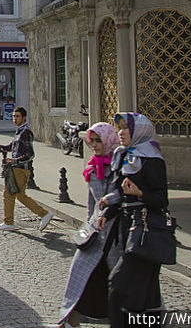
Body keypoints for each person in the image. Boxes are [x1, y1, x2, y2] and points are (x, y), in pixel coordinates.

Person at [98, 113, 168, 328]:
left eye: (125, 128)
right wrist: (107, 214)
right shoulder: (127, 157)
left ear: (139, 131)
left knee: (118, 285)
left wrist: (140, 194)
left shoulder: (152, 160)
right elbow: (121, 195)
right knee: (147, 294)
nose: (120, 133)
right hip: (128, 230)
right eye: (118, 128)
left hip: (146, 233)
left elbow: (161, 200)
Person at [52, 123, 122, 327]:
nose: (95, 146)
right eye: (92, 141)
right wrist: (87, 229)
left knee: (121, 281)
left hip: (116, 234)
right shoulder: (92, 167)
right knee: (79, 274)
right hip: (96, 234)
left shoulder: (119, 166)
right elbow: (91, 206)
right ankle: (68, 320)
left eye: (99, 141)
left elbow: (122, 197)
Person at [0, 106, 53, 232]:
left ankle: (9, 222)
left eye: (17, 116)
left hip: (20, 169)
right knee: (20, 195)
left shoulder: (25, 132)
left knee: (9, 193)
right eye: (13, 116)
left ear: (24, 118)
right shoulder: (19, 131)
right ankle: (44, 214)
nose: (15, 119)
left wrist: (15, 160)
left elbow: (30, 154)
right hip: (17, 168)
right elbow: (11, 147)